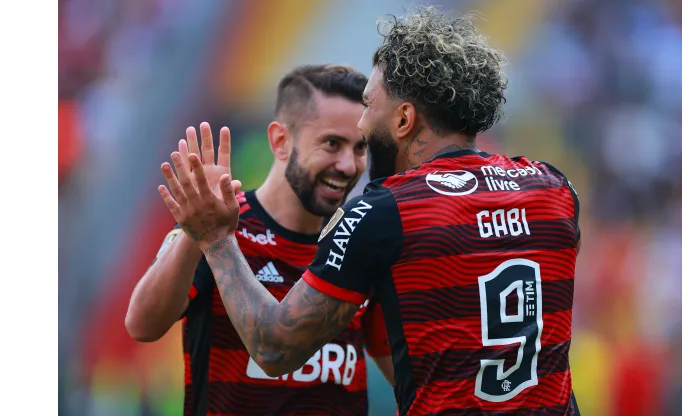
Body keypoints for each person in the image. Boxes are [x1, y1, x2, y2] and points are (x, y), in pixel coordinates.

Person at [157, 7, 581, 416]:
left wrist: (215, 238)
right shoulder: (554, 189)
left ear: (403, 120)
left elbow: (274, 347)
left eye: (367, 103)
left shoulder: (384, 212)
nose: (360, 124)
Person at [126, 64, 393, 416]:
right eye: (332, 144)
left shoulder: (360, 236)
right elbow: (142, 325)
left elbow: (402, 371)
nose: (348, 165)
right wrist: (199, 233)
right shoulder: (219, 225)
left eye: (360, 148)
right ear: (281, 141)